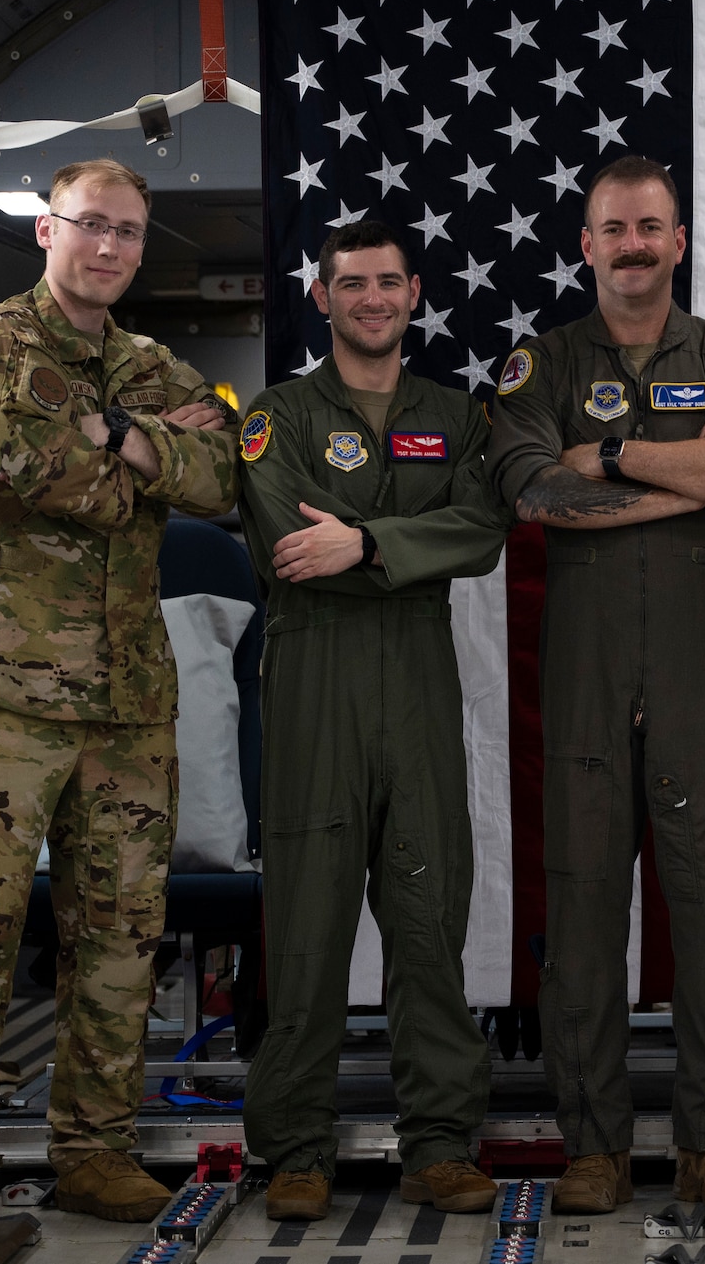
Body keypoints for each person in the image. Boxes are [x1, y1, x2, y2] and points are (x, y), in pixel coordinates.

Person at [0, 159, 239, 1236]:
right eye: (92, 226)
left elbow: (228, 480)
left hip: (130, 700)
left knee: (123, 937)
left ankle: (95, 1150)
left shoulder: (142, 358)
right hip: (10, 693)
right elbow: (59, 482)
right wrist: (153, 447)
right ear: (47, 230)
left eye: (130, 233)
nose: (111, 249)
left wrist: (124, 435)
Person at [486, 156, 705, 1215]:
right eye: (611, 228)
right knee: (580, 926)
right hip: (581, 689)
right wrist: (687, 475)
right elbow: (536, 495)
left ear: (675, 242)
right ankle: (594, 1148)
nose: (630, 244)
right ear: (585, 246)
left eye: (648, 227)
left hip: (698, 685)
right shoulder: (540, 363)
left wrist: (612, 459)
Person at [237, 221, 510, 1221]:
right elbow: (284, 539)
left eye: (387, 283)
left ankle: (438, 1143)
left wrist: (365, 543)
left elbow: (482, 530)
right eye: (351, 284)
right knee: (306, 931)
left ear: (413, 292)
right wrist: (395, 551)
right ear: (323, 296)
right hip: (317, 684)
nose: (371, 300)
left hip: (421, 687)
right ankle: (297, 1150)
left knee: (429, 924)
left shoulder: (453, 415)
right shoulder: (278, 416)